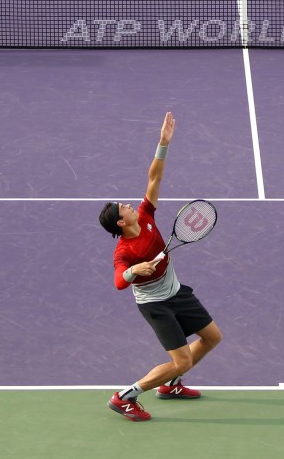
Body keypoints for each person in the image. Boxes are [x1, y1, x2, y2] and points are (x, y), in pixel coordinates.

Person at [98, 112, 222, 422]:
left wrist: (163, 143)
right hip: (156, 305)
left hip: (177, 292)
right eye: (122, 207)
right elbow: (117, 282)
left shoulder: (145, 215)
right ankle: (124, 397)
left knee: (212, 337)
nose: (129, 204)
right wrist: (133, 272)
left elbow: (154, 177)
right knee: (180, 360)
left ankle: (171, 386)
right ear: (120, 221)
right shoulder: (124, 251)